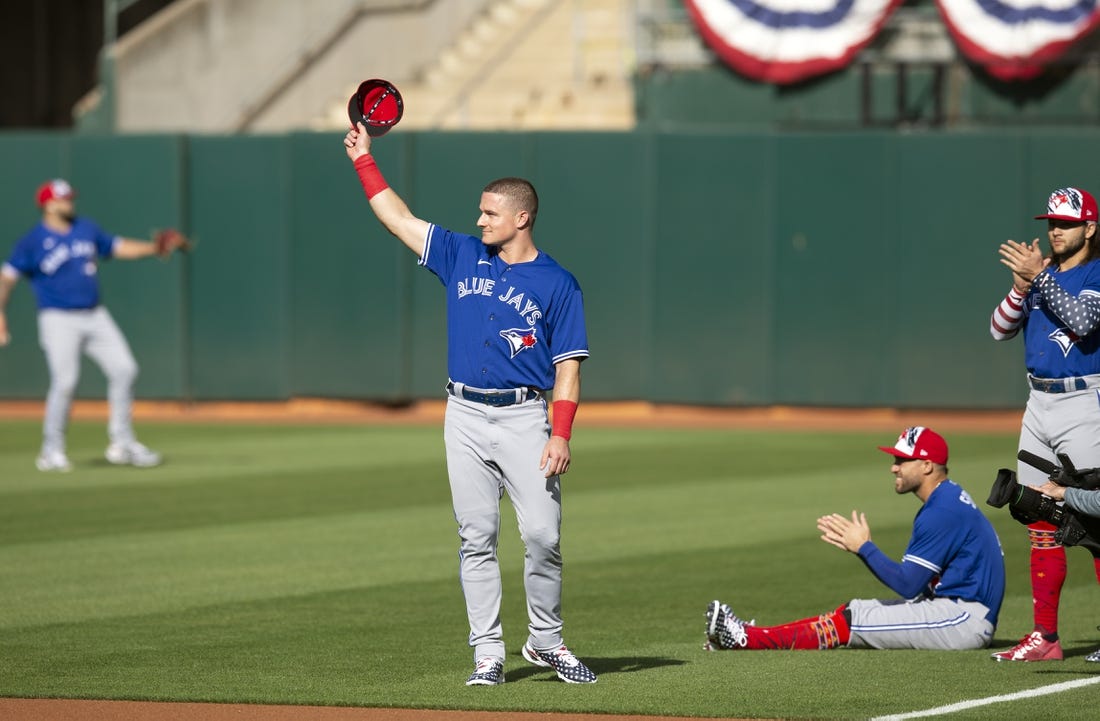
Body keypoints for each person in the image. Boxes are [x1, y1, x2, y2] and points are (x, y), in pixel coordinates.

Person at [343, 122, 595, 685]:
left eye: (489, 213)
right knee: (476, 536)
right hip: (464, 414)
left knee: (543, 536)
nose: (478, 220)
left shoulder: (558, 283)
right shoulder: (460, 254)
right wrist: (364, 160)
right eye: (479, 213)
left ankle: (545, 640)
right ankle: (488, 654)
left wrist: (561, 434)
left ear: (521, 218)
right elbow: (397, 218)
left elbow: (568, 369)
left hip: (526, 416)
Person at [704, 426, 1006, 653]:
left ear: (927, 466)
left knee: (852, 621)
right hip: (955, 610)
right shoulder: (948, 498)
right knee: (848, 611)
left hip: (962, 619)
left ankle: (745, 639)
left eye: (902, 460)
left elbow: (908, 585)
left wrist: (864, 547)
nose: (894, 467)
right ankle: (749, 634)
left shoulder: (942, 510)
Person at [0, 179, 182, 471]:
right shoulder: (32, 241)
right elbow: (6, 278)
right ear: (47, 204)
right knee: (65, 382)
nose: (70, 203)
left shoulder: (86, 228)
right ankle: (51, 450)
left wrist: (153, 248)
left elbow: (118, 246)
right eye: (63, 199)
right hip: (57, 317)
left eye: (70, 198)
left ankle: (122, 444)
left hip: (95, 315)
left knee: (125, 369)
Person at [988, 186, 1100, 662]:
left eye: (1066, 223)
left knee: (1097, 517)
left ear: (1089, 228)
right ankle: (1045, 637)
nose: (1055, 229)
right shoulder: (1042, 275)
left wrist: (1039, 278)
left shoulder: (1094, 272)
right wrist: (1020, 286)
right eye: (1051, 221)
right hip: (1039, 403)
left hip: (1086, 401)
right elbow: (998, 328)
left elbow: (1084, 320)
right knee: (1034, 513)